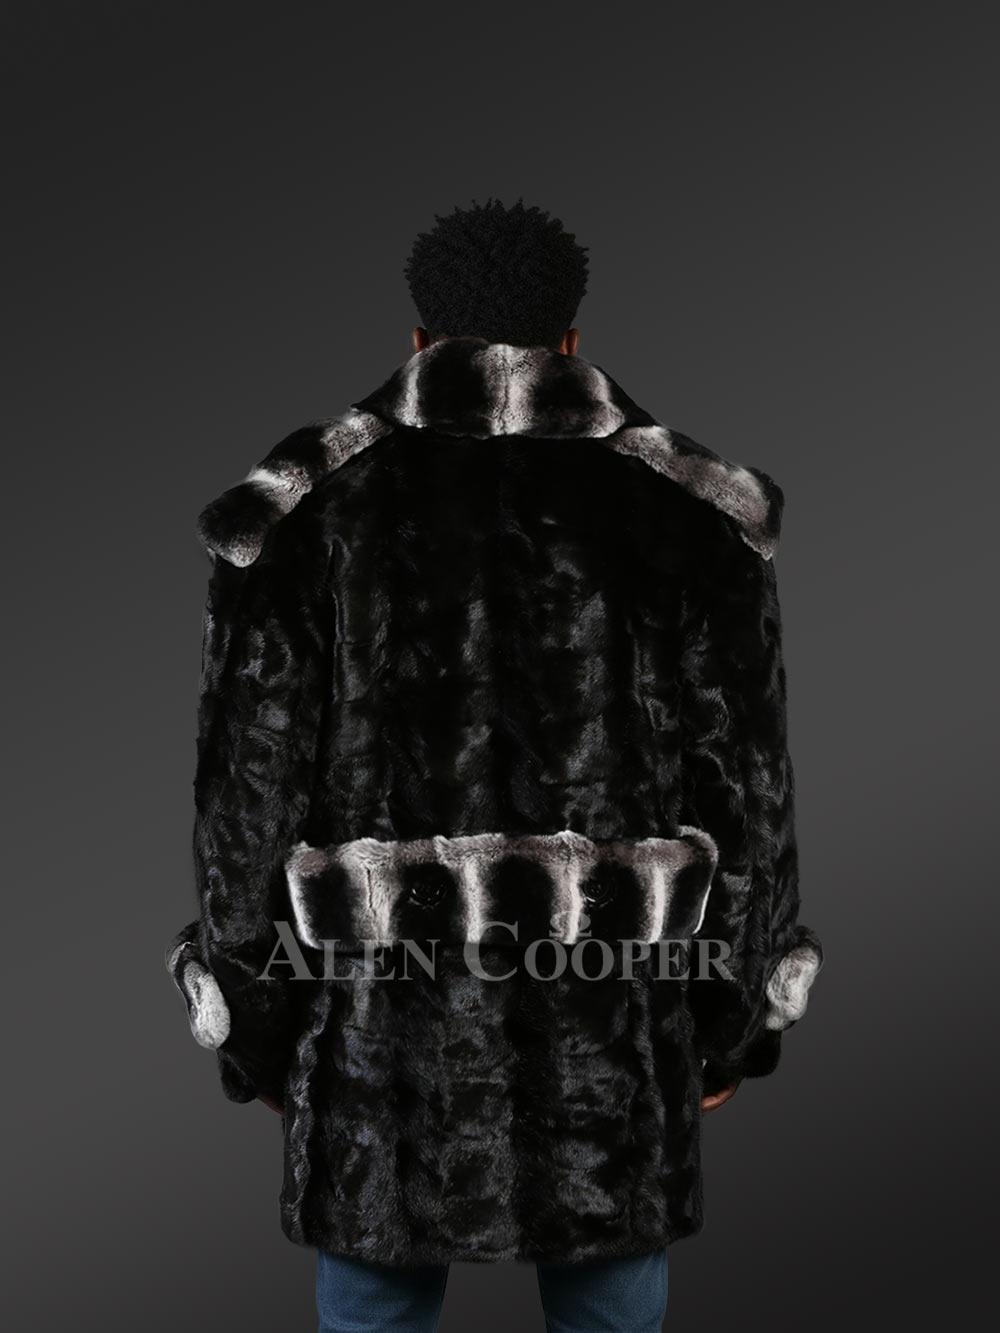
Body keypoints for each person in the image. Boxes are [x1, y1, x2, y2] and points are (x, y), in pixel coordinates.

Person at [165, 196, 824, 1332]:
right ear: (571, 336)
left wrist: (260, 1027)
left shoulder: (313, 505)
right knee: (611, 1302)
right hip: (609, 1028)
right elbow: (746, 790)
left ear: (421, 336)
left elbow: (246, 795)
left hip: (378, 1034)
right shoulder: (688, 509)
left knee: (372, 1302)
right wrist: (728, 1023)